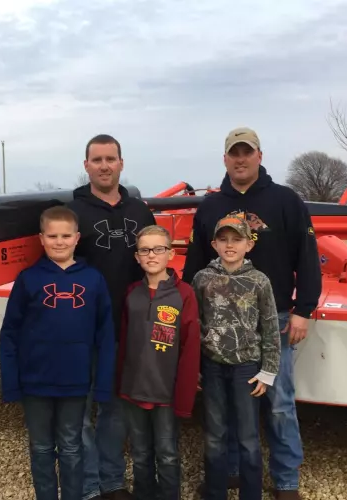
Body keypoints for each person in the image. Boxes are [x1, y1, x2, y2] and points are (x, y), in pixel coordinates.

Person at [183, 127, 322, 500]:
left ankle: (286, 481)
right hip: (222, 324)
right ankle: (229, 473)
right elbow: (195, 266)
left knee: (279, 404)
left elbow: (307, 257)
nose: (240, 159)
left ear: (259, 155)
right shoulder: (211, 206)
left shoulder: (286, 200)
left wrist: (303, 309)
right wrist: (189, 316)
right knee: (226, 404)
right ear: (225, 159)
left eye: (247, 152)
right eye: (234, 153)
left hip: (274, 319)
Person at [0, 205, 116, 500]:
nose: (59, 241)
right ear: (41, 238)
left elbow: (105, 336)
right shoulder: (28, 280)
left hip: (76, 384)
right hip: (35, 383)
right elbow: (10, 333)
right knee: (40, 448)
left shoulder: (93, 280)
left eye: (65, 235)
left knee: (72, 447)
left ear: (77, 238)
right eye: (53, 236)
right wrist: (11, 382)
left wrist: (102, 385)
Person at [67, 134, 157, 500]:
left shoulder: (140, 212)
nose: (104, 165)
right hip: (82, 327)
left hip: (128, 326)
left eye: (111, 159)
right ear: (86, 165)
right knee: (80, 410)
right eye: (97, 159)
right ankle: (88, 486)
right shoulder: (72, 211)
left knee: (115, 411)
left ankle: (113, 482)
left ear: (122, 163)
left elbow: (156, 262)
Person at [191, 213, 281, 500]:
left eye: (237, 239)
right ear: (214, 244)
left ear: (249, 245)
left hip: (247, 369)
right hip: (212, 366)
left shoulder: (259, 281)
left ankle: (250, 494)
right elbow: (194, 325)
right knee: (215, 435)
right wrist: (193, 368)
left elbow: (269, 326)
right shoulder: (202, 278)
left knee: (248, 438)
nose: (230, 245)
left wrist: (268, 370)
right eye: (224, 240)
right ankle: (215, 492)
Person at [116, 225, 201, 499]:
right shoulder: (131, 293)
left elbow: (190, 347)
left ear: (170, 254)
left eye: (158, 249)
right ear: (137, 256)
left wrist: (185, 392)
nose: (151, 255)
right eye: (144, 250)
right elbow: (124, 342)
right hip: (133, 389)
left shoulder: (184, 293)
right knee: (140, 453)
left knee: (167, 454)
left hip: (166, 391)